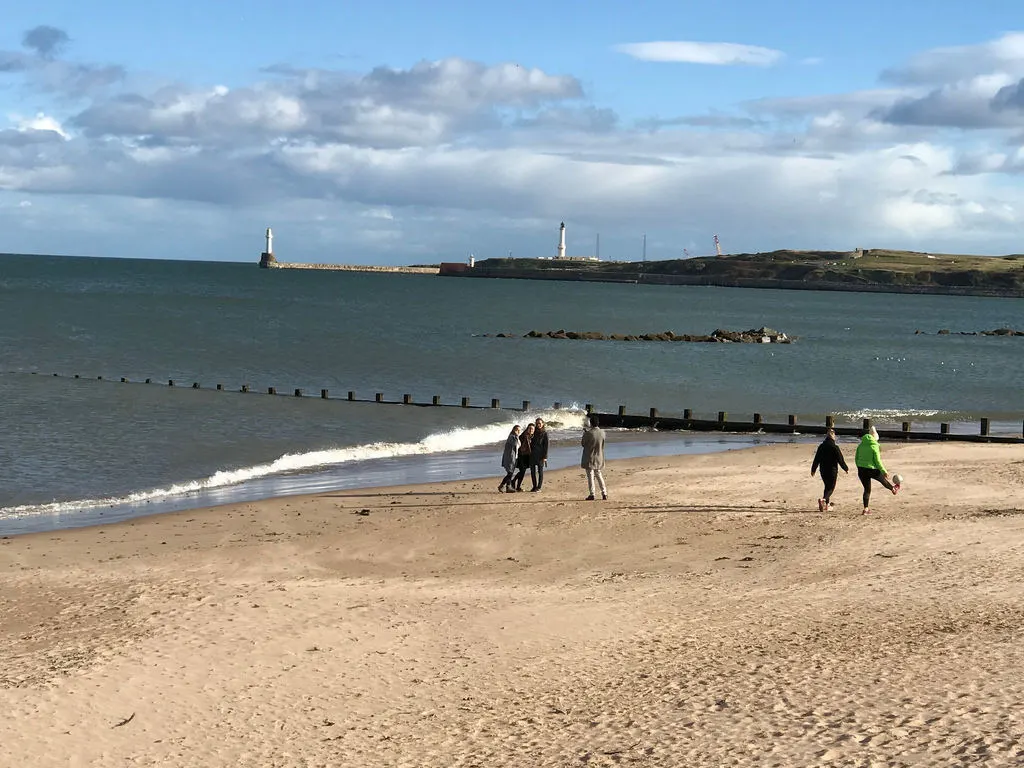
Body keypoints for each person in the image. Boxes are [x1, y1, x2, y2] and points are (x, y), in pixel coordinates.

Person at [854, 426, 899, 515]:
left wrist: (859, 467)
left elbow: (856, 458)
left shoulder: (861, 445)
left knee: (867, 490)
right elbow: (877, 461)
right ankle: (893, 489)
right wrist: (884, 471)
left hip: (861, 469)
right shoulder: (874, 446)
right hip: (872, 469)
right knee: (883, 480)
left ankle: (866, 509)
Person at [811, 428, 848, 512]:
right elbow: (840, 460)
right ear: (833, 436)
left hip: (823, 470)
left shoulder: (821, 446)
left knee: (827, 486)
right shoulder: (835, 447)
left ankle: (827, 505)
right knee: (831, 488)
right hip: (832, 470)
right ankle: (823, 500)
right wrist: (845, 468)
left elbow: (816, 459)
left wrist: (813, 470)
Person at [581, 414, 607, 500]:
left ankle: (592, 494)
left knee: (590, 475)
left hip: (590, 456)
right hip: (599, 456)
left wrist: (585, 434)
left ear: (591, 423)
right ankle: (604, 493)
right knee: (598, 474)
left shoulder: (589, 433)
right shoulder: (603, 432)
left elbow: (583, 444)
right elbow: (602, 445)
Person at [497, 425, 520, 492]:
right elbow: (514, 444)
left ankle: (508, 487)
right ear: (513, 430)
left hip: (514, 457)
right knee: (510, 473)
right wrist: (516, 436)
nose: (518, 431)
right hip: (509, 457)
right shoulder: (511, 437)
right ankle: (502, 485)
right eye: (517, 430)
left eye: (519, 430)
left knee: (511, 473)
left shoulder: (516, 437)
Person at [512, 423, 534, 492]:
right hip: (522, 456)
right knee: (522, 471)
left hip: (527, 456)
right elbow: (519, 446)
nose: (531, 430)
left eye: (532, 429)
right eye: (529, 428)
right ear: (527, 429)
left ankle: (515, 483)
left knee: (522, 471)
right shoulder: (524, 436)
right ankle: (515, 484)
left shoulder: (531, 436)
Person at [529, 417, 549, 492]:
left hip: (540, 455)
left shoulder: (544, 433)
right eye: (537, 423)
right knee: (532, 471)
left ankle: (539, 487)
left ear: (543, 424)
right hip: (532, 455)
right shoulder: (533, 432)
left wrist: (545, 457)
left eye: (540, 423)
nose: (538, 425)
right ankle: (534, 486)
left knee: (540, 471)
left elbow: (546, 446)